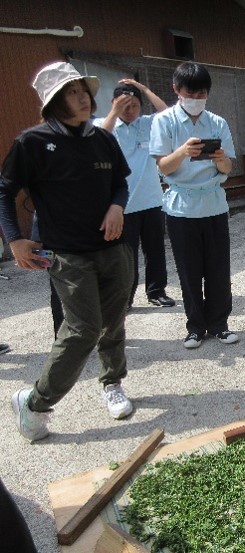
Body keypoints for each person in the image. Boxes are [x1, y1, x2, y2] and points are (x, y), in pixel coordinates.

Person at [0, 61, 135, 442]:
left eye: (83, 91)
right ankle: (34, 402)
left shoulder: (102, 138)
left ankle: (112, 383)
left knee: (114, 321)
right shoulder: (32, 143)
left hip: (113, 248)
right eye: (72, 93)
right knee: (82, 330)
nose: (83, 98)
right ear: (54, 102)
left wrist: (117, 206)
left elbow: (120, 183)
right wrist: (14, 240)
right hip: (68, 254)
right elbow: (4, 191)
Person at [149, 62, 238, 349]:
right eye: (191, 93)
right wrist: (183, 151)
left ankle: (219, 324)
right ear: (176, 89)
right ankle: (195, 327)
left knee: (218, 269)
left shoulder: (217, 122)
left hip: (213, 204)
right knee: (189, 271)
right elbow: (163, 165)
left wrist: (220, 159)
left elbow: (228, 168)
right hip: (181, 207)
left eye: (202, 94)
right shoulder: (164, 121)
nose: (196, 99)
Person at [99, 79, 176, 309]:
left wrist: (143, 89)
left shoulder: (148, 124)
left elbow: (167, 112)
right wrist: (115, 112)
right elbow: (97, 141)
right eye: (125, 106)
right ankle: (125, 298)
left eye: (134, 105)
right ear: (114, 104)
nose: (130, 110)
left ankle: (156, 291)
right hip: (122, 205)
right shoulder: (104, 125)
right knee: (126, 256)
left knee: (155, 250)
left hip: (152, 200)